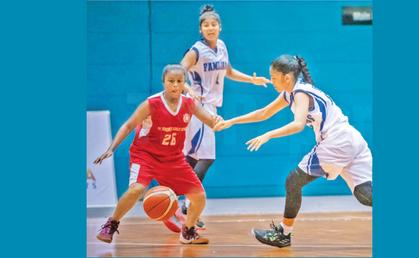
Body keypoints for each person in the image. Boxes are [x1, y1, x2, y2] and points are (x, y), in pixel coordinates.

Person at [214, 54, 373, 248]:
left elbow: (298, 125)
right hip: (352, 139)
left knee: (293, 181)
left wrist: (268, 135)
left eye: (273, 78)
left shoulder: (300, 92)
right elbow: (263, 113)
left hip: (336, 142)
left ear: (286, 77)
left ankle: (284, 233)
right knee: (365, 194)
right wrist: (231, 121)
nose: (271, 81)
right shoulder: (291, 93)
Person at [94, 64, 223, 245]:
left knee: (199, 196)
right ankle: (111, 223)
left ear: (184, 83)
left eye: (179, 81)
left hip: (173, 158)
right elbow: (128, 125)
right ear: (163, 82)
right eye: (171, 81)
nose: (175, 85)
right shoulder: (151, 103)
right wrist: (111, 148)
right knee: (137, 190)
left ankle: (188, 230)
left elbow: (211, 121)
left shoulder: (189, 104)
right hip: (145, 155)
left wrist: (220, 121)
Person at [177, 4, 271, 229]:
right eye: (206, 25)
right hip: (199, 107)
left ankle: (177, 199)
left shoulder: (221, 47)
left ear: (220, 27)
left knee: (191, 157)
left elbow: (228, 71)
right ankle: (186, 205)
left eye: (213, 24)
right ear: (201, 29)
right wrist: (188, 90)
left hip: (211, 108)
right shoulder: (196, 50)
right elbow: (178, 71)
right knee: (205, 158)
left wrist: (252, 80)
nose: (210, 27)